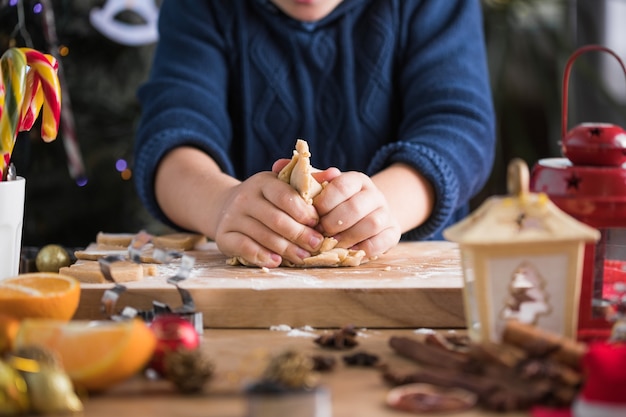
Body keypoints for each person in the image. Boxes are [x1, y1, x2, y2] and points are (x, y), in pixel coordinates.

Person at [133, 0, 495, 268]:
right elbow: (171, 135)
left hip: (420, 274)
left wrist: (384, 208)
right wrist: (220, 205)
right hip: (258, 281)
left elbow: (460, 128)